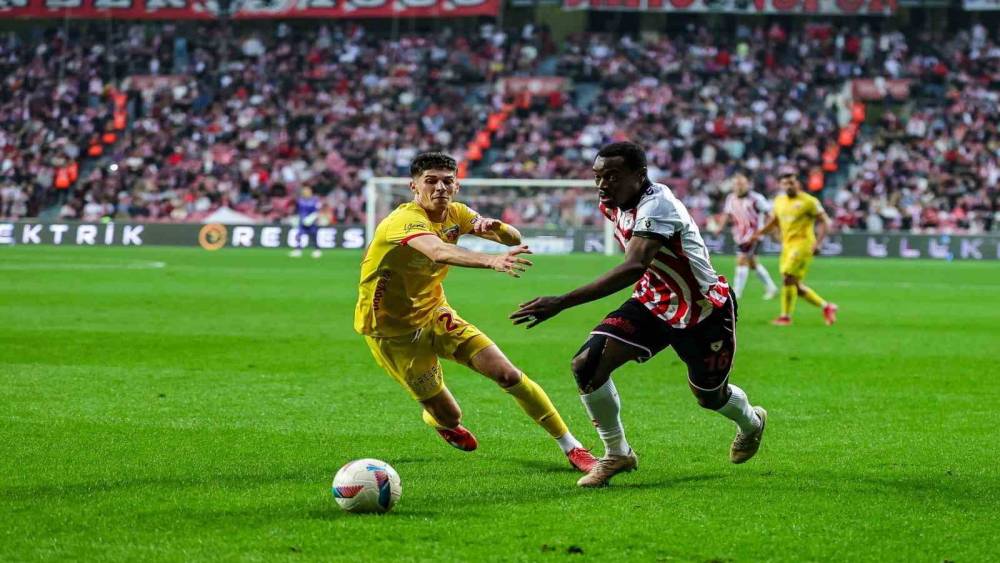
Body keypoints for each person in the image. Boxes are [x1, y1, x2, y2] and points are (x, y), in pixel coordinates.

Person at [510, 142, 767, 488]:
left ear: (640, 175)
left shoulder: (658, 206)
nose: (603, 184)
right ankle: (617, 453)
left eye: (613, 176)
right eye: (598, 177)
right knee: (587, 364)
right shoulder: (611, 203)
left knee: (710, 396)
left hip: (702, 310)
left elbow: (633, 266)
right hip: (652, 302)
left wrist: (562, 301)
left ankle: (751, 422)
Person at [354, 152, 597, 472]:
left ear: (456, 186)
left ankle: (572, 447)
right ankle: (441, 422)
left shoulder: (458, 212)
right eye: (431, 181)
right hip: (391, 331)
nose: (440, 187)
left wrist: (497, 228)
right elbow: (437, 251)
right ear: (414, 186)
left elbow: (513, 238)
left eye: (447, 181)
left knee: (507, 374)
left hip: (435, 312)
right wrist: (491, 260)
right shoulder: (403, 220)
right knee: (449, 415)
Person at [749, 166, 838, 326]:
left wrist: (818, 243)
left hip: (803, 244)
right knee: (794, 284)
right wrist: (759, 233)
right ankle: (826, 307)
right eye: (785, 183)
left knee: (788, 277)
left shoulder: (809, 201)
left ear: (798, 184)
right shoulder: (779, 201)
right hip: (787, 245)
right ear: (780, 185)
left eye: (792, 182)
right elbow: (774, 222)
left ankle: (785, 317)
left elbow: (826, 221)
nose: (789, 186)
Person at [715, 172, 778, 300]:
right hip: (739, 235)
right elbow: (727, 214)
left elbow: (771, 216)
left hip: (753, 235)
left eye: (742, 184)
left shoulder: (756, 198)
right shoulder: (731, 198)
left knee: (741, 259)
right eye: (736, 184)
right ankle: (772, 287)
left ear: (748, 185)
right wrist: (720, 227)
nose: (739, 187)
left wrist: (765, 231)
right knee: (753, 264)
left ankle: (736, 293)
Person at [291, 187, 322, 258]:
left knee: (313, 236)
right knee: (298, 235)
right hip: (302, 221)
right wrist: (296, 218)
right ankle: (298, 250)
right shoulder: (300, 201)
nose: (305, 193)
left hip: (312, 222)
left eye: (307, 192)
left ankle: (317, 250)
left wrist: (312, 218)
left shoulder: (315, 200)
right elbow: (298, 210)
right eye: (304, 192)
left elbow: (317, 211)